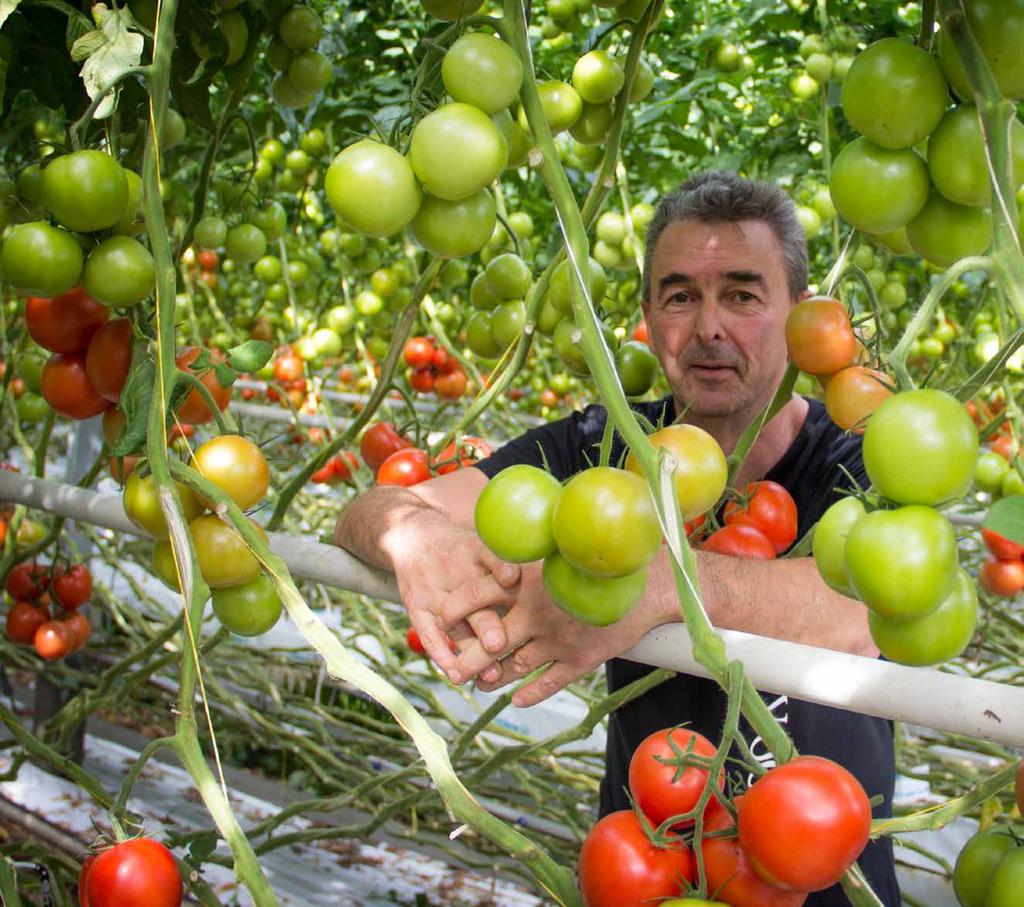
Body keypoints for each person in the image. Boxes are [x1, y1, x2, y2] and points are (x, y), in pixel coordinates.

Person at [333, 171, 900, 906]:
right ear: (647, 317)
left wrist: (662, 585)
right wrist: (411, 536)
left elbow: (864, 611)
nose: (709, 328)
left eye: (742, 293)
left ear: (798, 312)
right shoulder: (601, 447)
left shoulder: (858, 455)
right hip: (645, 861)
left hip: (823, 875)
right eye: (679, 295)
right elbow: (370, 507)